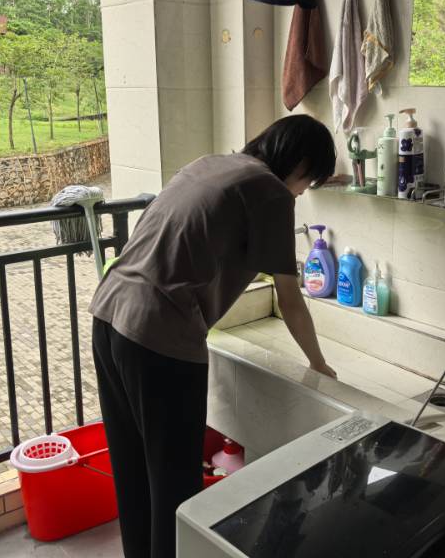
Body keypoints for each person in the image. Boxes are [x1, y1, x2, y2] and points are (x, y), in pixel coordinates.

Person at [89, 114, 337, 558]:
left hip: (109, 315)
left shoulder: (211, 164)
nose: (303, 191)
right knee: (175, 486)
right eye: (309, 180)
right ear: (300, 163)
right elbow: (290, 298)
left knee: (133, 470)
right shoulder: (271, 192)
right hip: (159, 334)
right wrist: (318, 364)